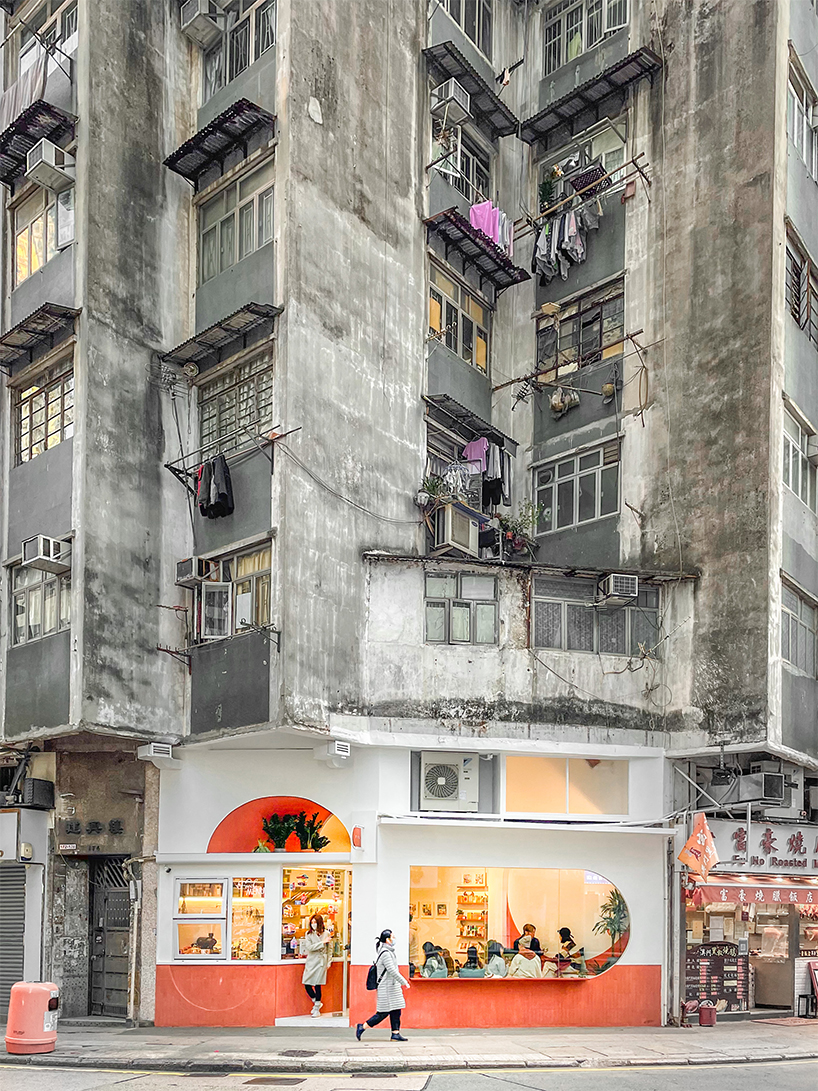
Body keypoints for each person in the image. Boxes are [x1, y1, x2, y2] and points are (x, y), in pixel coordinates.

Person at [356, 929, 410, 1042]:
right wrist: (404, 982)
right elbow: (392, 970)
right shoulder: (385, 953)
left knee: (396, 1010)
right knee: (383, 1013)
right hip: (386, 987)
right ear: (387, 940)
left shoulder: (388, 952)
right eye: (392, 937)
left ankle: (395, 1033)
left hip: (391, 987)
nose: (394, 939)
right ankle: (362, 1026)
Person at [301, 913, 332, 1016]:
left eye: (315, 922)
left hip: (321, 962)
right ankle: (316, 1001)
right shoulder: (308, 934)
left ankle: (316, 1008)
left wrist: (328, 962)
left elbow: (329, 949)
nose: (313, 924)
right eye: (312, 922)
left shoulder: (326, 933)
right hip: (311, 961)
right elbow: (309, 947)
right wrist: (322, 943)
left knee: (318, 984)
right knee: (307, 983)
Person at [408, 913, 419, 978]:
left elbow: (407, 944)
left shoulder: (410, 931)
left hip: (410, 959)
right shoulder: (413, 930)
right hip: (413, 959)